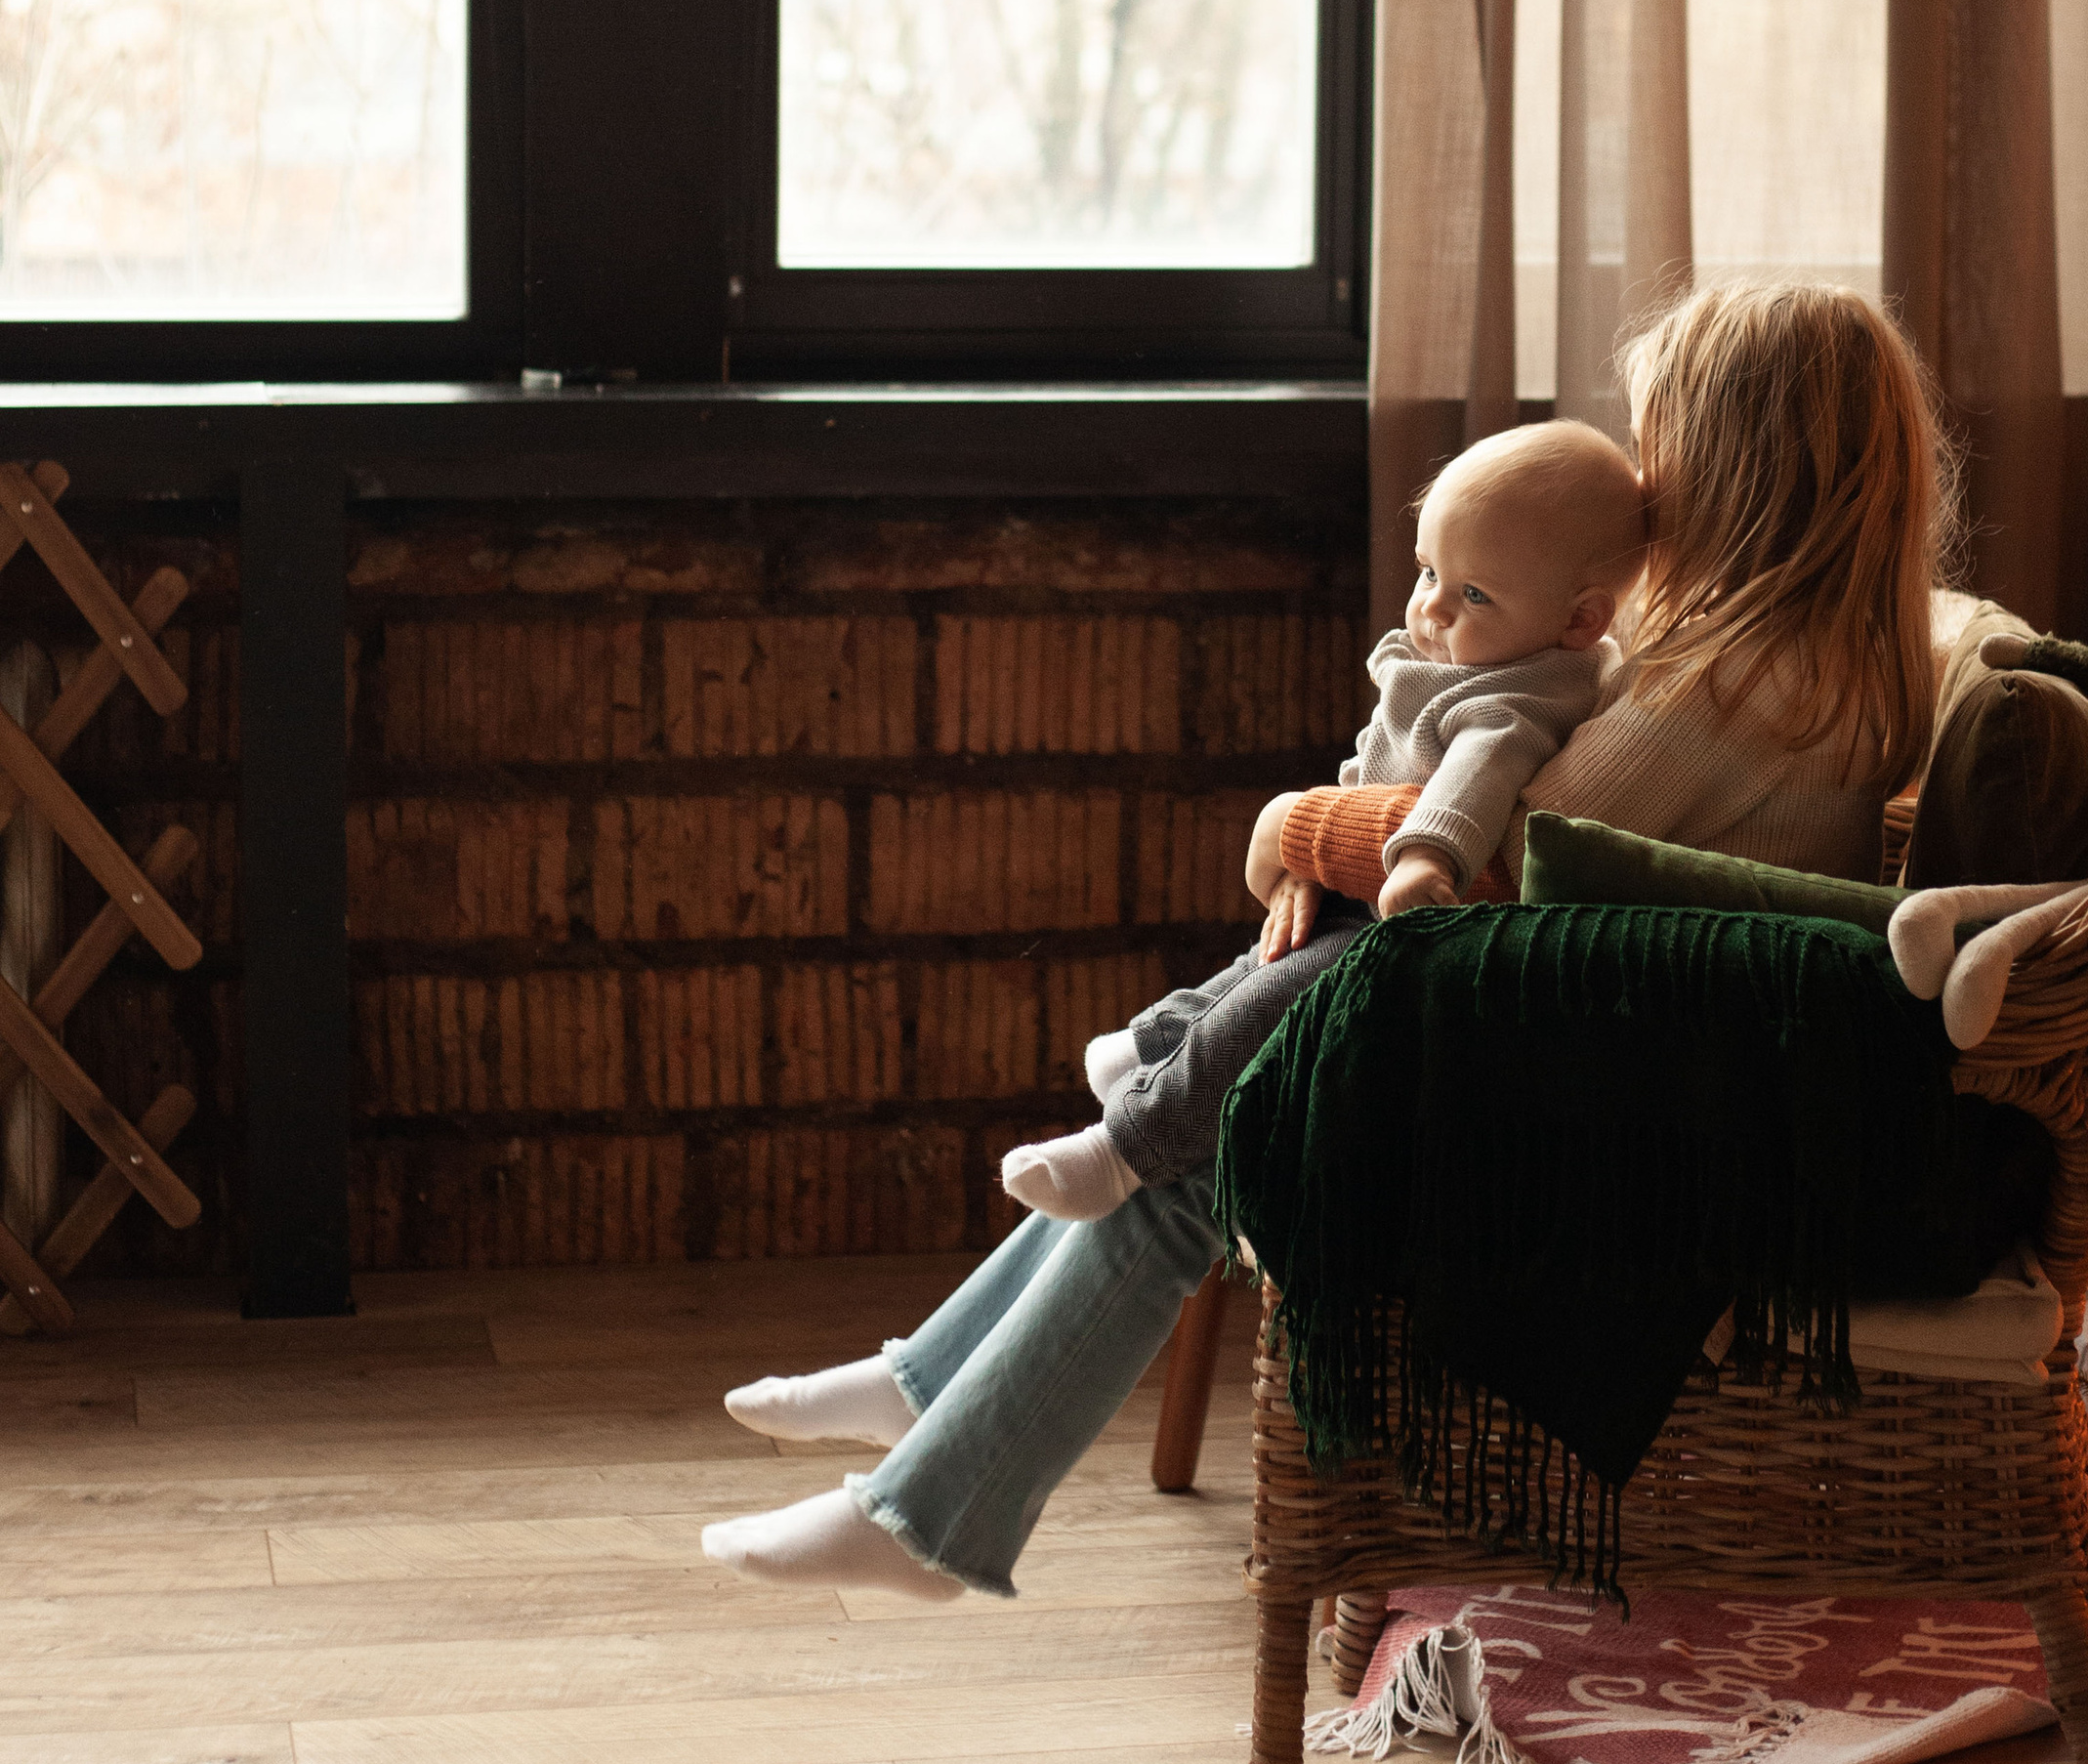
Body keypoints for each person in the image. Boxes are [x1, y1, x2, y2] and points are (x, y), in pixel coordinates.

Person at [700, 280, 1949, 1608]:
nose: (1640, 484)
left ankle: (932, 1510)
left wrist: (1301, 825)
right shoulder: (1812, 656)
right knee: (1216, 1119)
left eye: (1663, 454)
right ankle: (930, 1404)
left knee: (1220, 1152)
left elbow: (1496, 858)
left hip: (1631, 1123)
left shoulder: (1731, 690)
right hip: (1626, 1062)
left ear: (1735, 474)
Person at [992, 416, 1642, 1224]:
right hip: (1358, 891)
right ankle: (1155, 1045)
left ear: (1581, 620)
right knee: (1258, 963)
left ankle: (1126, 1152)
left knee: (1271, 1006)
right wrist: (1310, 855)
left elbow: (1474, 781)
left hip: (1405, 927)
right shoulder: (1449, 655)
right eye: (1428, 571)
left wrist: (1424, 860)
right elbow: (1368, 767)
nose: (1432, 609)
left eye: (1473, 594)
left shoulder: (1523, 694)